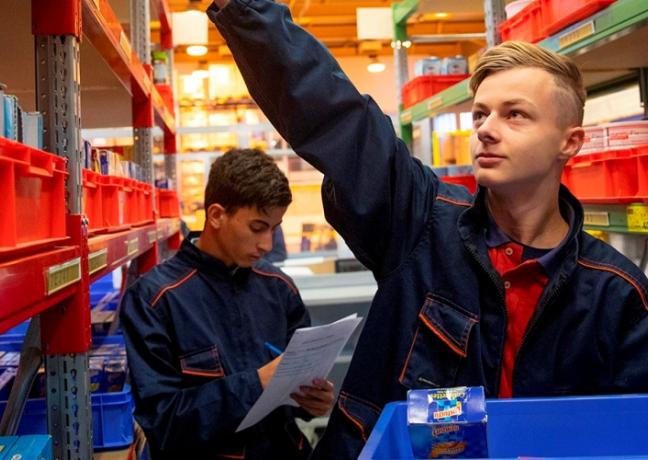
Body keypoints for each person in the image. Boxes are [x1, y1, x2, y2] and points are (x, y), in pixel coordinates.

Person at [207, 2, 648, 458]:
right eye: (480, 115)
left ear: (570, 142)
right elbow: (338, 117)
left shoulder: (616, 294)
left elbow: (629, 433)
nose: (486, 130)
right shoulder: (420, 220)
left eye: (515, 114)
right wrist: (245, 10)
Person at [120, 148, 334, 460]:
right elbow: (162, 422)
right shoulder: (155, 299)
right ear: (217, 215)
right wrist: (257, 383)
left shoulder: (280, 289)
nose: (267, 244)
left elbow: (295, 399)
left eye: (274, 229)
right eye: (257, 227)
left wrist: (310, 401)